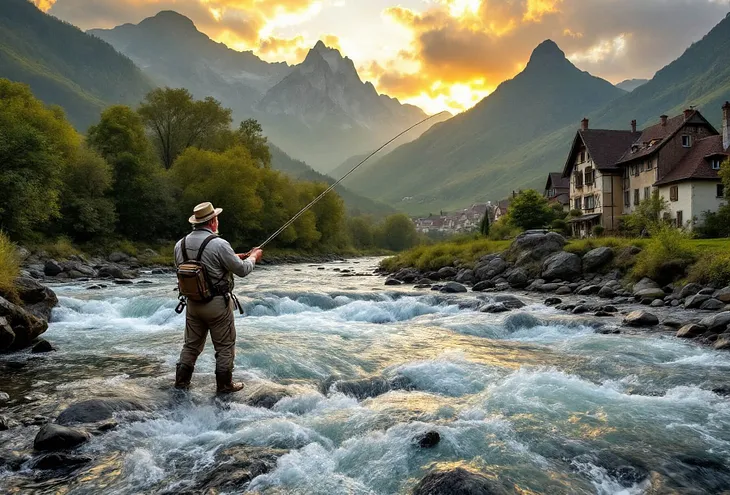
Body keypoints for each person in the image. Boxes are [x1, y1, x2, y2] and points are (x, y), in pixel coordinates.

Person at [173, 202, 263, 393]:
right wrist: (254, 256)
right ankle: (224, 385)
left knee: (191, 346)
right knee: (224, 347)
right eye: (217, 218)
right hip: (217, 305)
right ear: (212, 221)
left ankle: (181, 383)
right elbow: (243, 270)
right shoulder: (219, 244)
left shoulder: (179, 245)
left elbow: (198, 264)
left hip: (192, 304)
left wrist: (235, 256)